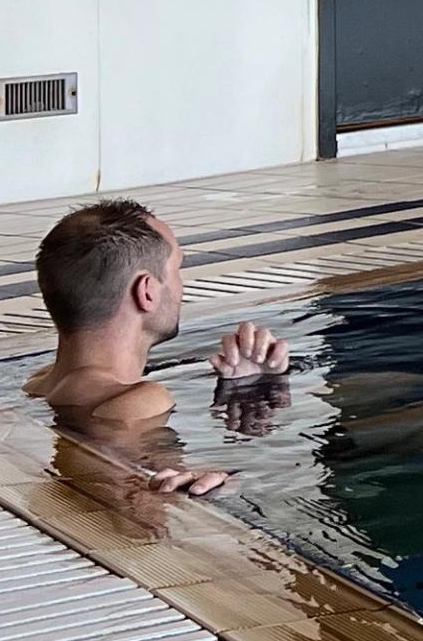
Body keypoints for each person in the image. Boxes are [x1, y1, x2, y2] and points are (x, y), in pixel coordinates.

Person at [21, 199, 289, 499]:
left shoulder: (37, 385)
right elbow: (150, 479)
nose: (181, 285)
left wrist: (250, 384)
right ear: (146, 291)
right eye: (177, 269)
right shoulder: (139, 400)